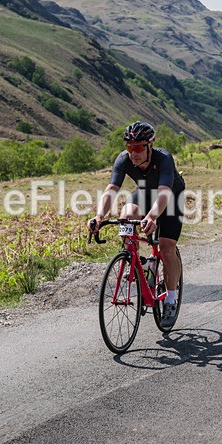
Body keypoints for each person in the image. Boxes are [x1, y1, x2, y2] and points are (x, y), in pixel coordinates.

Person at [89, 121, 185, 325]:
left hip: (170, 197)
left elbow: (164, 194)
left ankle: (170, 299)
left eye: (140, 147)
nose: (134, 152)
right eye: (130, 147)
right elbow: (111, 189)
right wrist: (99, 216)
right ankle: (139, 262)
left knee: (167, 246)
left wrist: (151, 217)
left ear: (151, 145)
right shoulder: (123, 160)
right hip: (144, 193)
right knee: (125, 218)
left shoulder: (164, 159)